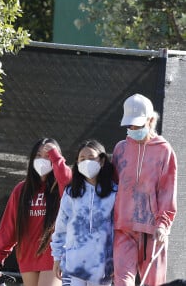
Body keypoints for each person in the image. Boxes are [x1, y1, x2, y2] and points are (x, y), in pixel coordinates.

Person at [112, 93, 178, 286]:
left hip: (153, 231)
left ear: (150, 120)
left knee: (153, 283)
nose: (133, 129)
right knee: (122, 282)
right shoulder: (120, 149)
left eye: (138, 125)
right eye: (129, 125)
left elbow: (168, 190)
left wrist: (163, 224)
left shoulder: (164, 150)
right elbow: (113, 187)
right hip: (123, 228)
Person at [0, 137, 72, 286]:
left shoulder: (61, 188)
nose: (43, 160)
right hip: (28, 256)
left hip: (54, 255)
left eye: (48, 156)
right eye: (38, 155)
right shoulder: (21, 189)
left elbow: (67, 178)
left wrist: (55, 155)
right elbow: (8, 226)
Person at [51, 139, 117, 286]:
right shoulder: (71, 192)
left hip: (103, 269)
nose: (87, 162)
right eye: (82, 158)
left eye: (91, 158)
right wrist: (57, 258)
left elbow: (118, 231)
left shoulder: (114, 192)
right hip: (72, 267)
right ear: (77, 163)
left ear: (101, 161)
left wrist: (117, 261)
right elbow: (61, 227)